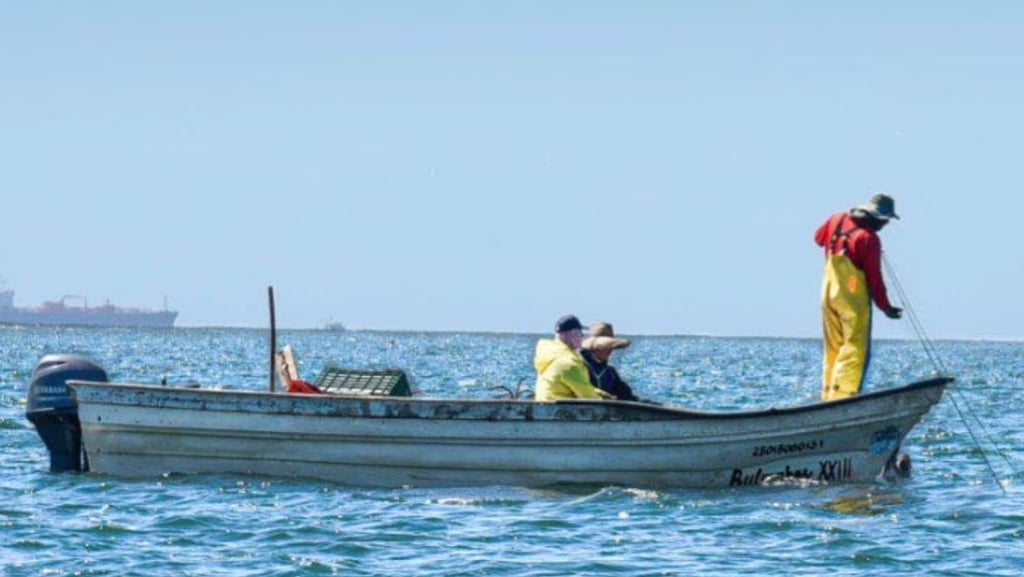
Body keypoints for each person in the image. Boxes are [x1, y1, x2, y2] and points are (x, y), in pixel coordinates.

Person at [815, 193, 903, 401]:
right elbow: (874, 278)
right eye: (884, 221)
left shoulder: (836, 219)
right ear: (875, 217)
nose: (885, 225)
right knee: (855, 348)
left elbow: (819, 238)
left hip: (828, 295)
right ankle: (844, 397)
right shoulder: (869, 238)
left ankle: (829, 394)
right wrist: (886, 307)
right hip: (851, 301)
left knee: (833, 347)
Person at [534, 314, 613, 401]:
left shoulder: (551, 354)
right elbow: (589, 398)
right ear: (572, 335)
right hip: (561, 411)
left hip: (546, 407)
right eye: (579, 333)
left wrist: (603, 394)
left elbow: (579, 386)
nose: (582, 337)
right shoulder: (568, 363)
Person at [580, 322, 638, 401]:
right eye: (606, 347)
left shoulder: (610, 372)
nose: (610, 350)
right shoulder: (579, 366)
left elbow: (626, 396)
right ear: (595, 348)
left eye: (611, 347)